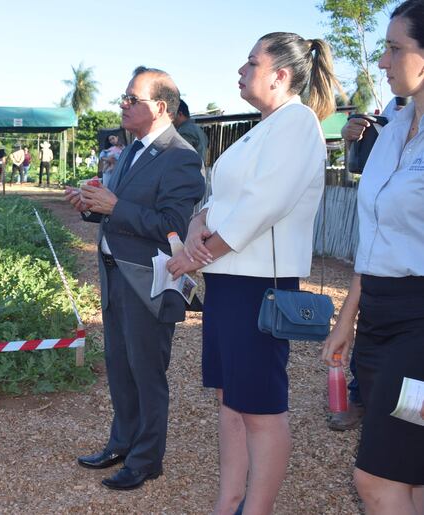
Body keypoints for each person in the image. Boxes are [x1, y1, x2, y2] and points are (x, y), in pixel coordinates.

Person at [168, 32, 340, 514]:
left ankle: (256, 508)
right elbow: (222, 200)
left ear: (281, 75)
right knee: (231, 398)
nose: (240, 72)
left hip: (259, 284)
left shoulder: (297, 124)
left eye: (251, 63)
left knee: (261, 406)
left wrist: (196, 254)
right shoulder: (263, 127)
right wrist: (200, 222)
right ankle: (229, 500)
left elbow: (263, 206)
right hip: (229, 280)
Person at [65, 66, 204, 491]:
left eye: (132, 99)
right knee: (120, 368)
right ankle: (121, 443)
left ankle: (146, 460)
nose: (122, 105)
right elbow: (116, 207)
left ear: (160, 106)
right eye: (124, 98)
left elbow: (174, 226)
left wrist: (112, 206)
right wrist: (88, 204)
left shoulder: (181, 156)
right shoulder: (130, 150)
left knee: (146, 373)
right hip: (115, 276)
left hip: (149, 281)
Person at [322, 2, 424, 512]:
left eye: (394, 48)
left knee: (376, 479)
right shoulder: (392, 127)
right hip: (379, 321)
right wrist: (348, 319)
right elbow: (375, 236)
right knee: (414, 473)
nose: (383, 62)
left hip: (420, 326)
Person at [327, 96, 407, 432]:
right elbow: (362, 169)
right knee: (373, 324)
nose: (384, 63)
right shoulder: (394, 109)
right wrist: (352, 140)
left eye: (396, 49)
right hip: (382, 255)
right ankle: (362, 398)